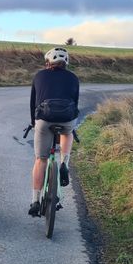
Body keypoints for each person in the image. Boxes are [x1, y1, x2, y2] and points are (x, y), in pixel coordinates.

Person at [28, 47, 79, 217]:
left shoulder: (40, 75)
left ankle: (35, 200)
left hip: (44, 119)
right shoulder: (73, 78)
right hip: (67, 118)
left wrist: (33, 123)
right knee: (67, 132)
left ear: (48, 62)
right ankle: (64, 161)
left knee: (41, 160)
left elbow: (33, 103)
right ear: (66, 63)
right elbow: (75, 103)